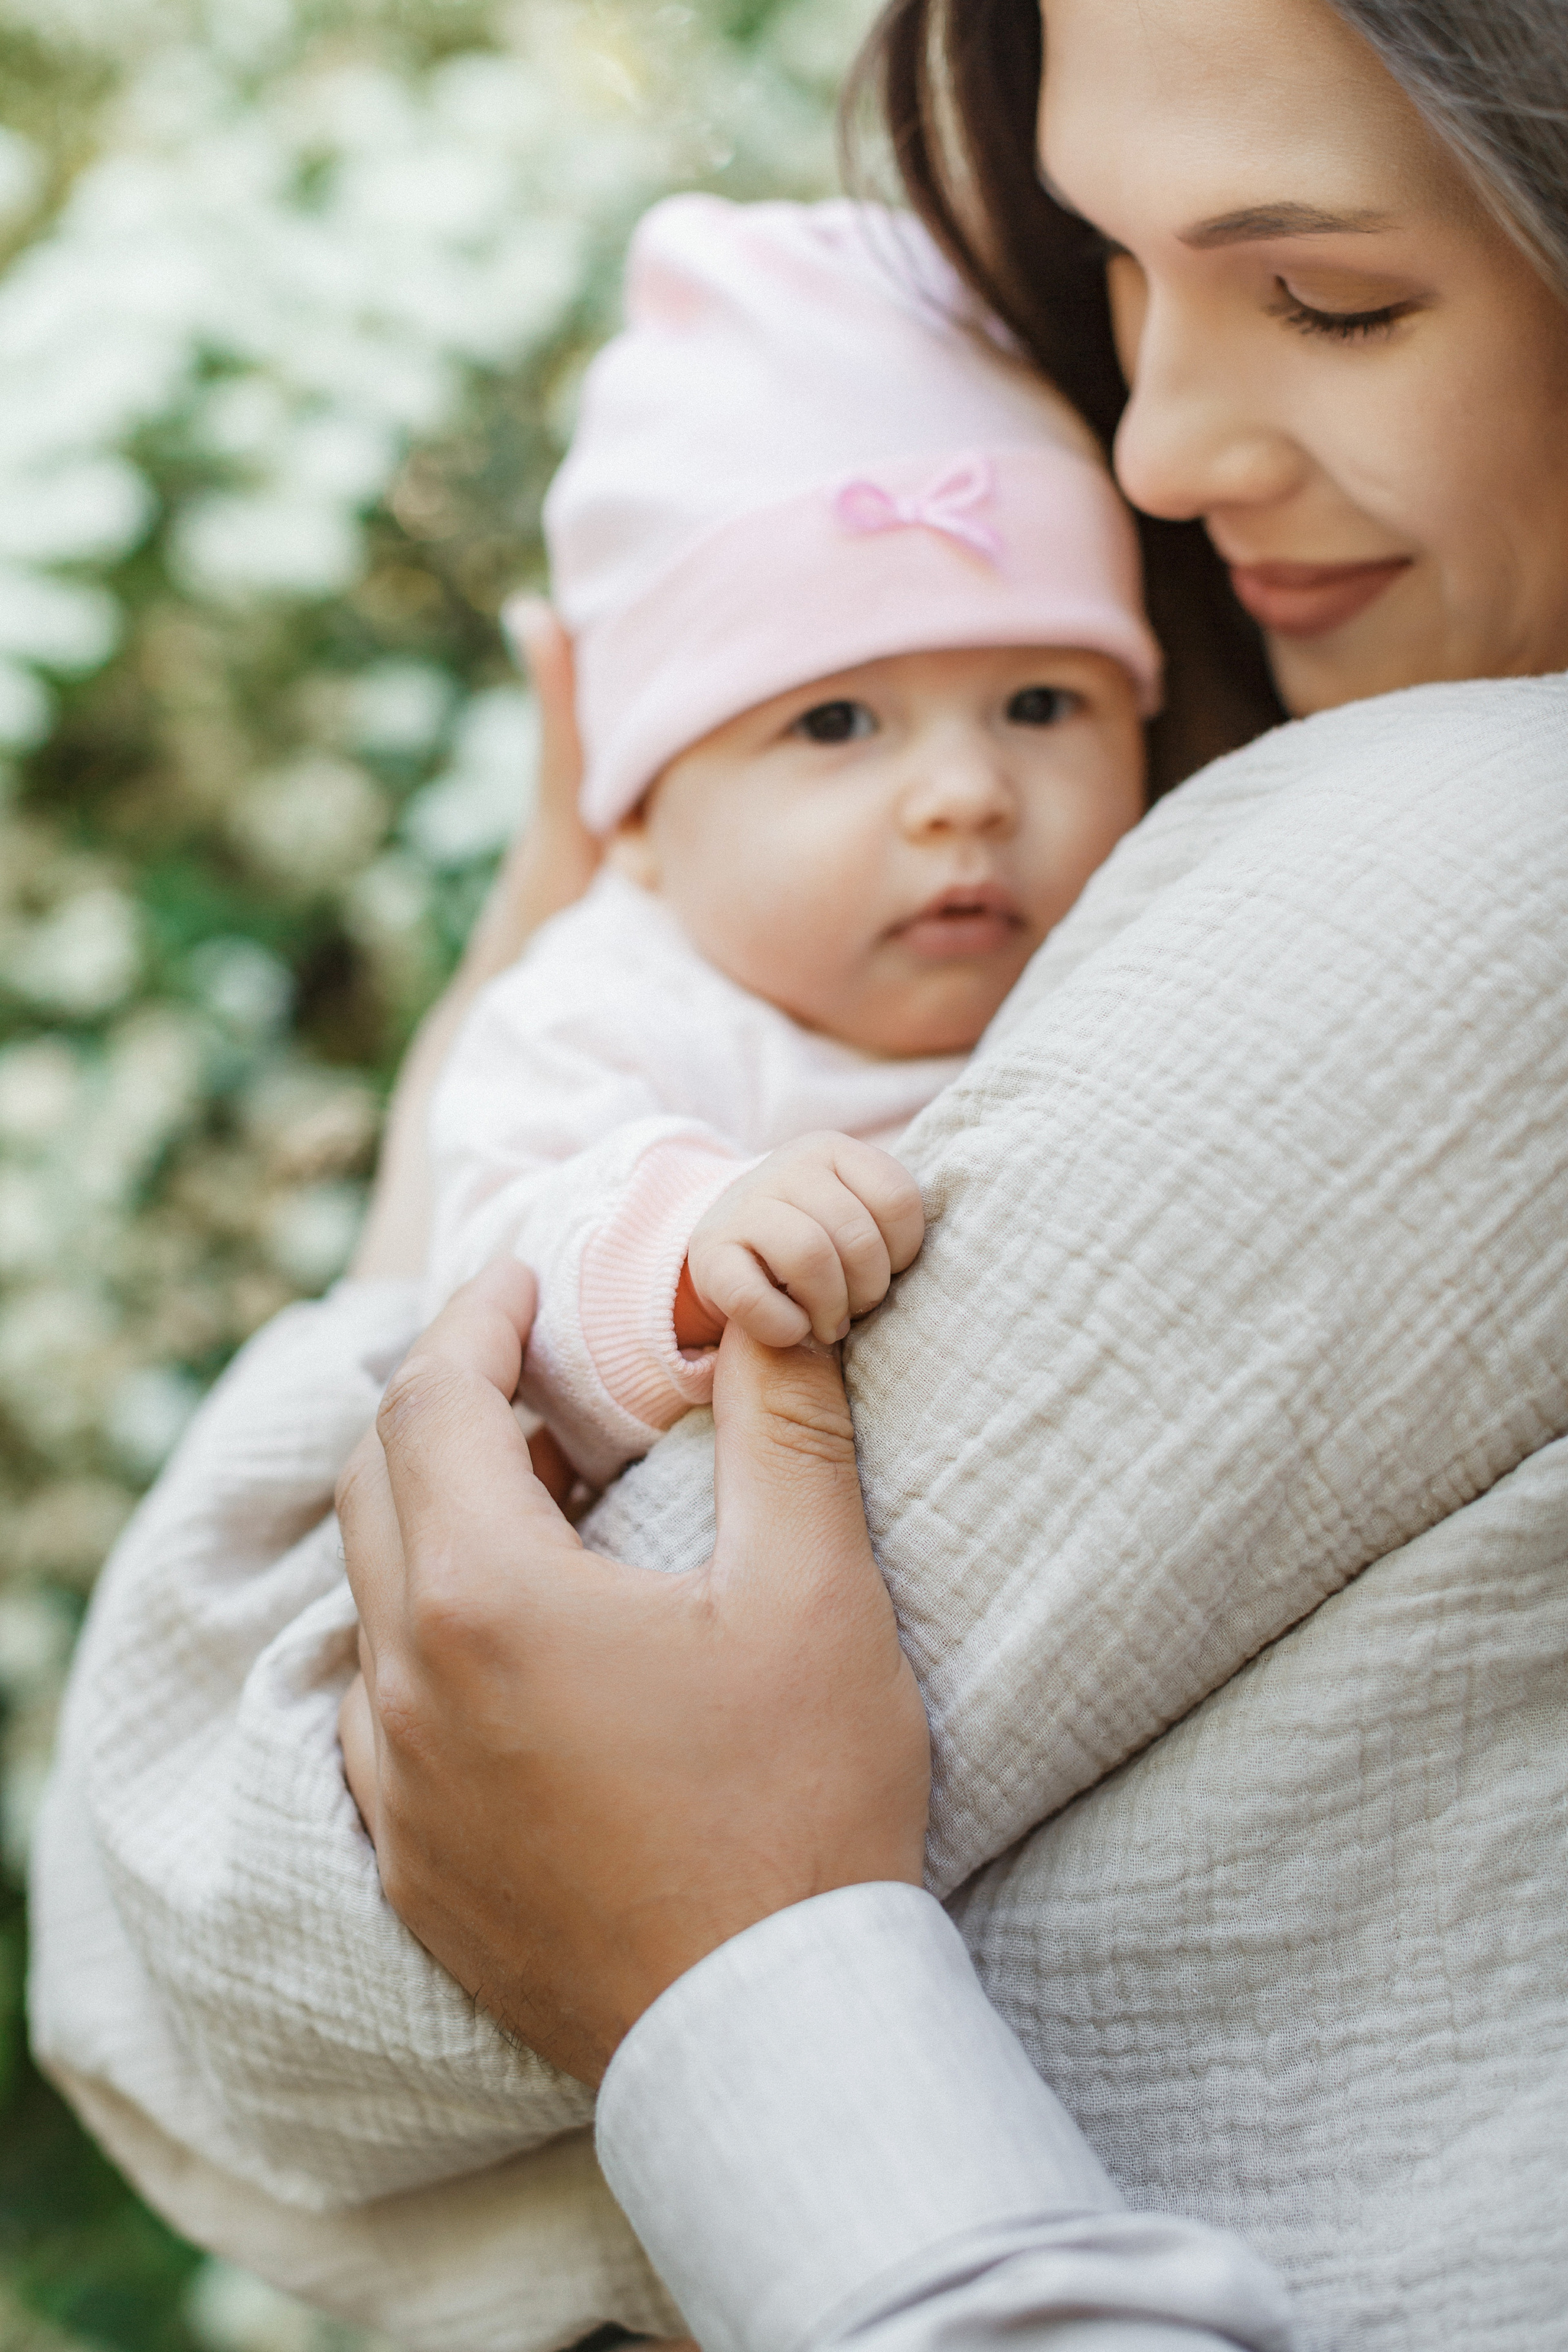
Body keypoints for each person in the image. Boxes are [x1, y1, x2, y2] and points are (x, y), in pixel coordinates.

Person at [29, 0, 1568, 2347]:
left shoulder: (1472, 872)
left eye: (1335, 296)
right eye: (1109, 278)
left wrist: (724, 1982)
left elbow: (223, 1944)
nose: (1150, 446)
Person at [426, 191, 1158, 1486]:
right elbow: (499, 1246)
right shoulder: (612, 1009)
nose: (966, 794)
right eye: (835, 722)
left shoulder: (1150, 946)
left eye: (1039, 705)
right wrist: (690, 1248)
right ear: (640, 813)